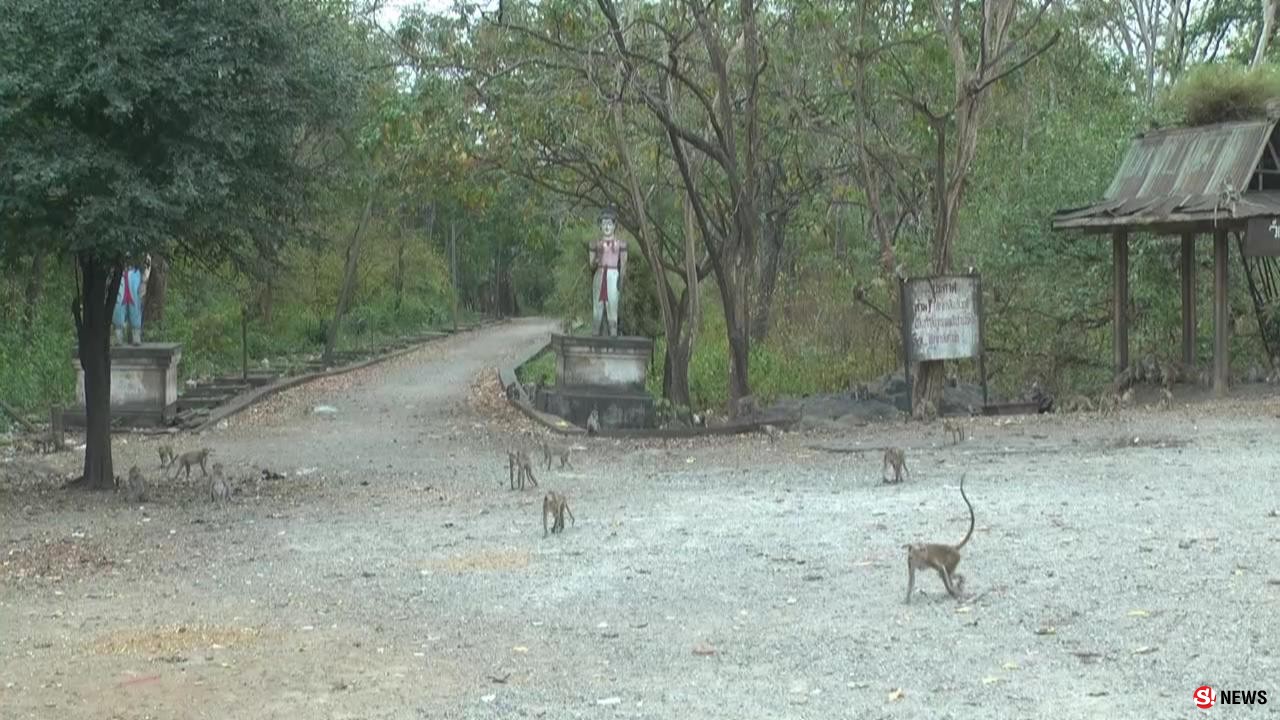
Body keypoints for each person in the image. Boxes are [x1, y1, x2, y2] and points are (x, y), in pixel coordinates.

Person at [588, 208, 627, 336]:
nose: (606, 227)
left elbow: (624, 264)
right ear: (600, 226)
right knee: (597, 310)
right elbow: (591, 265)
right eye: (604, 224)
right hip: (599, 275)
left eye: (609, 224)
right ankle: (595, 341)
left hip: (612, 276)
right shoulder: (595, 244)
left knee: (612, 310)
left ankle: (613, 339)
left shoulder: (620, 244)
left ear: (614, 226)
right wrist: (598, 257)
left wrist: (621, 281)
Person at [113, 255, 150, 346]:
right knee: (117, 306)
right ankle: (118, 337)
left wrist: (144, 281)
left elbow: (147, 260)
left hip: (135, 273)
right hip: (119, 273)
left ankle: (136, 337)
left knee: (136, 306)